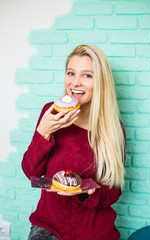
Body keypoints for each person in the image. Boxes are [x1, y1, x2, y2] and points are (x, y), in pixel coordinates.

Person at [22, 44, 126, 240]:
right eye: (71, 73)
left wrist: (88, 191)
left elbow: (114, 191)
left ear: (101, 82)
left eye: (87, 75)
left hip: (94, 233)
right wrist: (43, 131)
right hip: (48, 229)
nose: (76, 83)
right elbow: (31, 173)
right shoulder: (51, 113)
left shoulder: (113, 128)